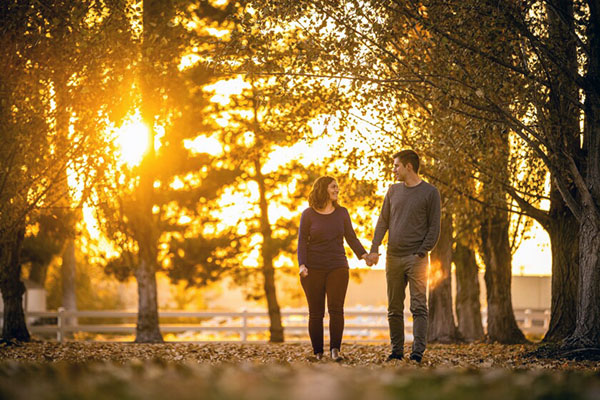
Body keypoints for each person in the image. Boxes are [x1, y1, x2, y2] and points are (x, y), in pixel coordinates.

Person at [367, 150, 441, 363]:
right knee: (394, 308)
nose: (393, 169)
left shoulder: (430, 192)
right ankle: (396, 351)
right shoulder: (392, 191)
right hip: (393, 258)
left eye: (396, 165)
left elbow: (434, 227)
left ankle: (417, 352)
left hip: (416, 259)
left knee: (418, 306)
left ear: (409, 166)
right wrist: (374, 249)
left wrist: (422, 251)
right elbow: (383, 222)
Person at [297, 176, 372, 361]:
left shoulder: (342, 213)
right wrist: (302, 264)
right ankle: (318, 353)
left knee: (336, 309)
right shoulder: (308, 214)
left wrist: (364, 255)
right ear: (323, 189)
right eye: (333, 187)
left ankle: (335, 351)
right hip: (313, 268)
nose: (337, 190)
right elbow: (301, 242)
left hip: (337, 266)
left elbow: (351, 237)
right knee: (315, 312)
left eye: (337, 187)